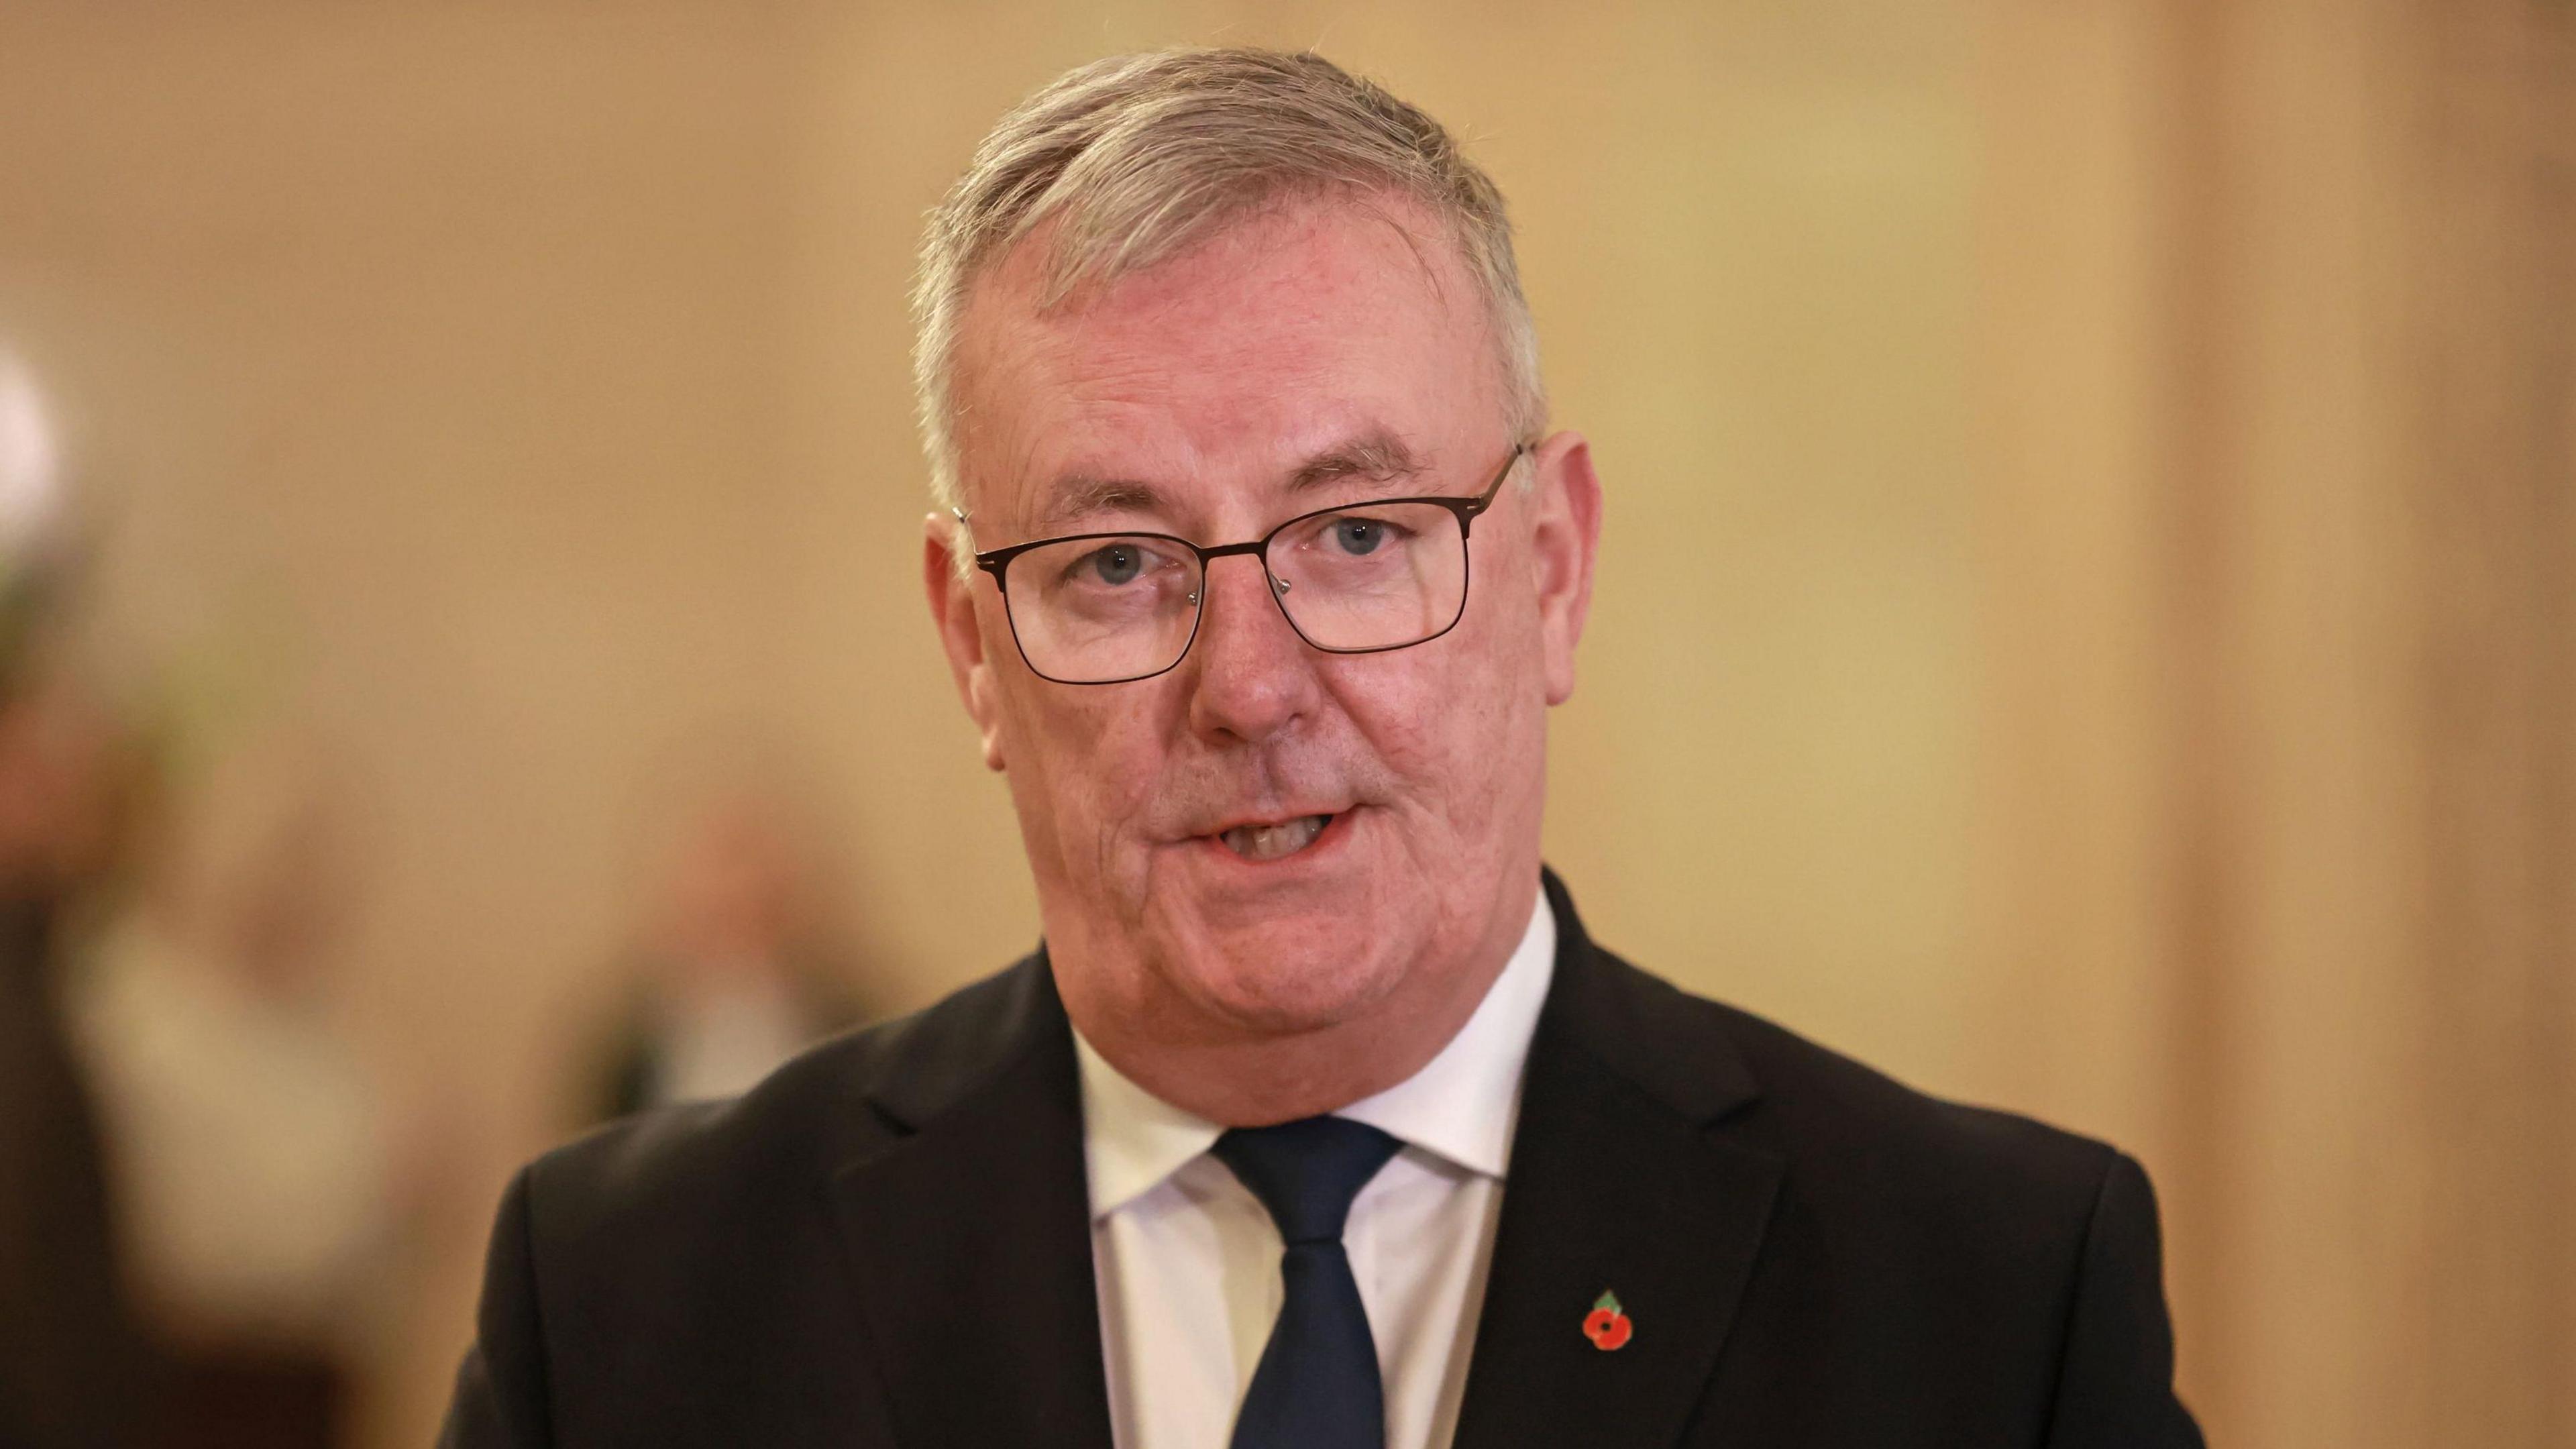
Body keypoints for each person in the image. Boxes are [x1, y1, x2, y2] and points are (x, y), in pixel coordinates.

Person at [441, 48, 2203, 1448]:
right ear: (972, 646)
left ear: (1553, 571)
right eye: (1118, 565)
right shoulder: (627, 1312)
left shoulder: (1986, 1308)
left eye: (1358, 534)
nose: (1253, 690)